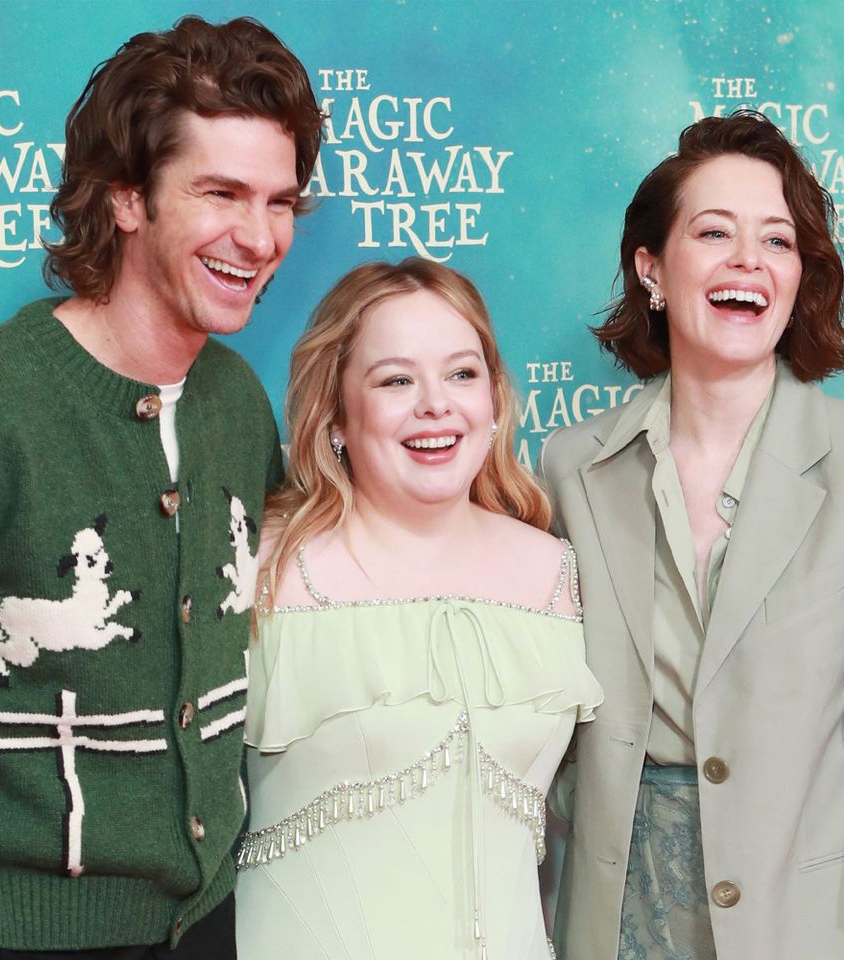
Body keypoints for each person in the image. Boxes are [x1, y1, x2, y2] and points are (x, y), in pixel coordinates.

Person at [0, 15, 323, 960]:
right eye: (221, 193)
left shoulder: (235, 402)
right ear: (126, 201)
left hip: (214, 927)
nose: (260, 236)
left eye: (280, 201)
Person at [541, 110, 844, 960]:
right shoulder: (568, 467)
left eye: (777, 241)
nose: (748, 262)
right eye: (714, 233)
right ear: (652, 267)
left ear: (800, 277)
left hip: (804, 926)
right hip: (610, 915)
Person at [233, 258, 603, 960]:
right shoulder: (265, 565)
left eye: (461, 374)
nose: (435, 404)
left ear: (494, 400)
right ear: (337, 413)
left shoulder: (557, 572)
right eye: (396, 380)